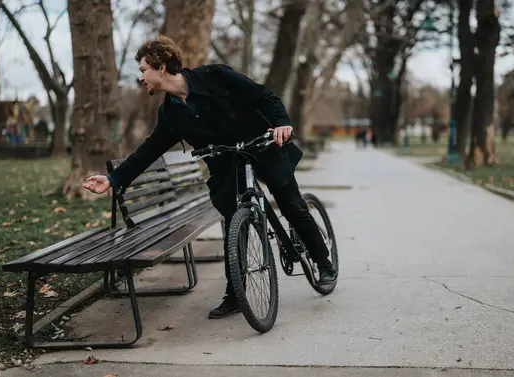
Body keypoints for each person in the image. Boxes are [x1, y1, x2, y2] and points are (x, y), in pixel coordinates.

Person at [82, 35, 337, 319]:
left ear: (161, 66)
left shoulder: (215, 76)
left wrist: (282, 124)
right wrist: (114, 179)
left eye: (143, 69)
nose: (140, 77)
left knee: (291, 205)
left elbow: (263, 96)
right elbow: (149, 150)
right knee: (232, 221)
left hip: (263, 147)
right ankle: (236, 292)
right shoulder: (170, 113)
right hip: (228, 165)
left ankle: (323, 263)